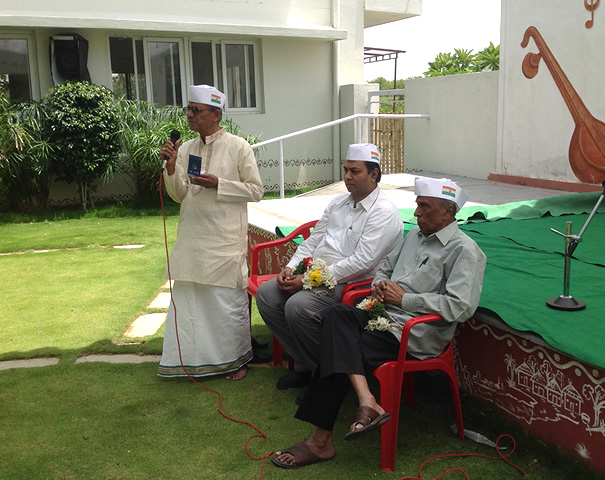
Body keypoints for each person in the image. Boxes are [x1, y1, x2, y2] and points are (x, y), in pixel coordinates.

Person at [270, 177, 487, 468]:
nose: (417, 212)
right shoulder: (414, 236)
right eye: (417, 205)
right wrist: (382, 285)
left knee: (339, 345)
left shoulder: (465, 250)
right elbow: (385, 266)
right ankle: (366, 399)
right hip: (380, 313)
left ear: (448, 212)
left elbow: (461, 307)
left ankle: (321, 441)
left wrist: (405, 299)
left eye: (425, 206)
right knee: (334, 315)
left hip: (411, 331)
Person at [256, 143, 403, 393]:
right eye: (346, 170)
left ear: (374, 174)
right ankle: (308, 367)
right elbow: (314, 240)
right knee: (268, 295)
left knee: (299, 307)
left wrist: (307, 281)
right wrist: (291, 268)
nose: (347, 176)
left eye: (355, 171)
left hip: (355, 284)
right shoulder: (338, 203)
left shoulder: (384, 213)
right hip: (317, 276)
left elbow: (362, 262)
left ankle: (326, 382)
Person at [157, 85, 263, 381]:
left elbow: (256, 191)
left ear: (216, 114)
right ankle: (190, 360)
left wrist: (220, 184)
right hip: (192, 236)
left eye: (196, 110)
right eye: (188, 109)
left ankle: (235, 361)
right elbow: (180, 194)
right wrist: (169, 166)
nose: (190, 115)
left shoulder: (238, 146)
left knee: (224, 303)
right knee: (191, 300)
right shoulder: (188, 147)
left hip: (224, 238)